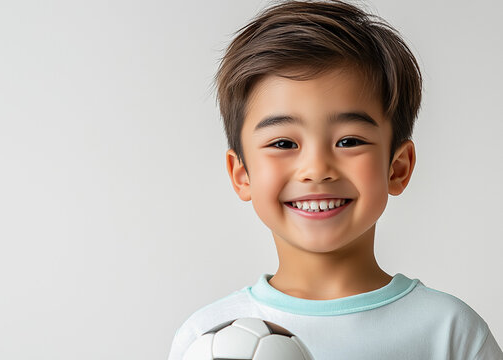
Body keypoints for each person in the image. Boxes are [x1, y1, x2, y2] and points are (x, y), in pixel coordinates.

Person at [167, 1, 503, 359]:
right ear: (242, 174)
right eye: (283, 143)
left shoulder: (450, 331)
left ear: (398, 167)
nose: (316, 168)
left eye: (349, 141)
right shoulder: (207, 340)